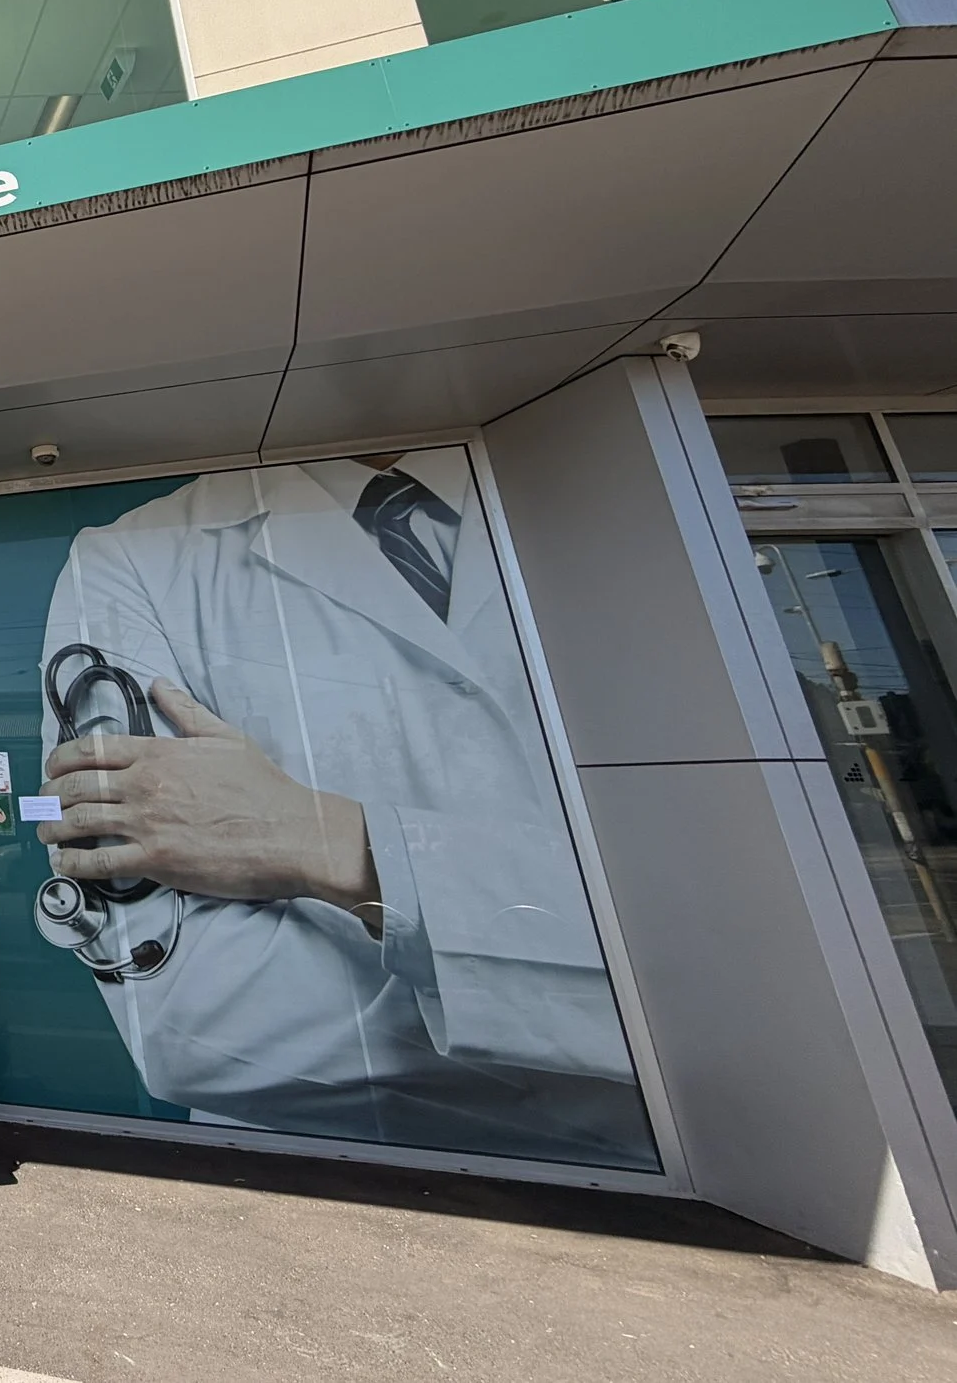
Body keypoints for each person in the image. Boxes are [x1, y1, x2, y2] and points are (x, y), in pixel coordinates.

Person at [33, 449, 657, 1167]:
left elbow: (731, 953)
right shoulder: (128, 561)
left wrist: (330, 844)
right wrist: (595, 1009)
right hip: (330, 1208)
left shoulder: (617, 501)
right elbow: (194, 1027)